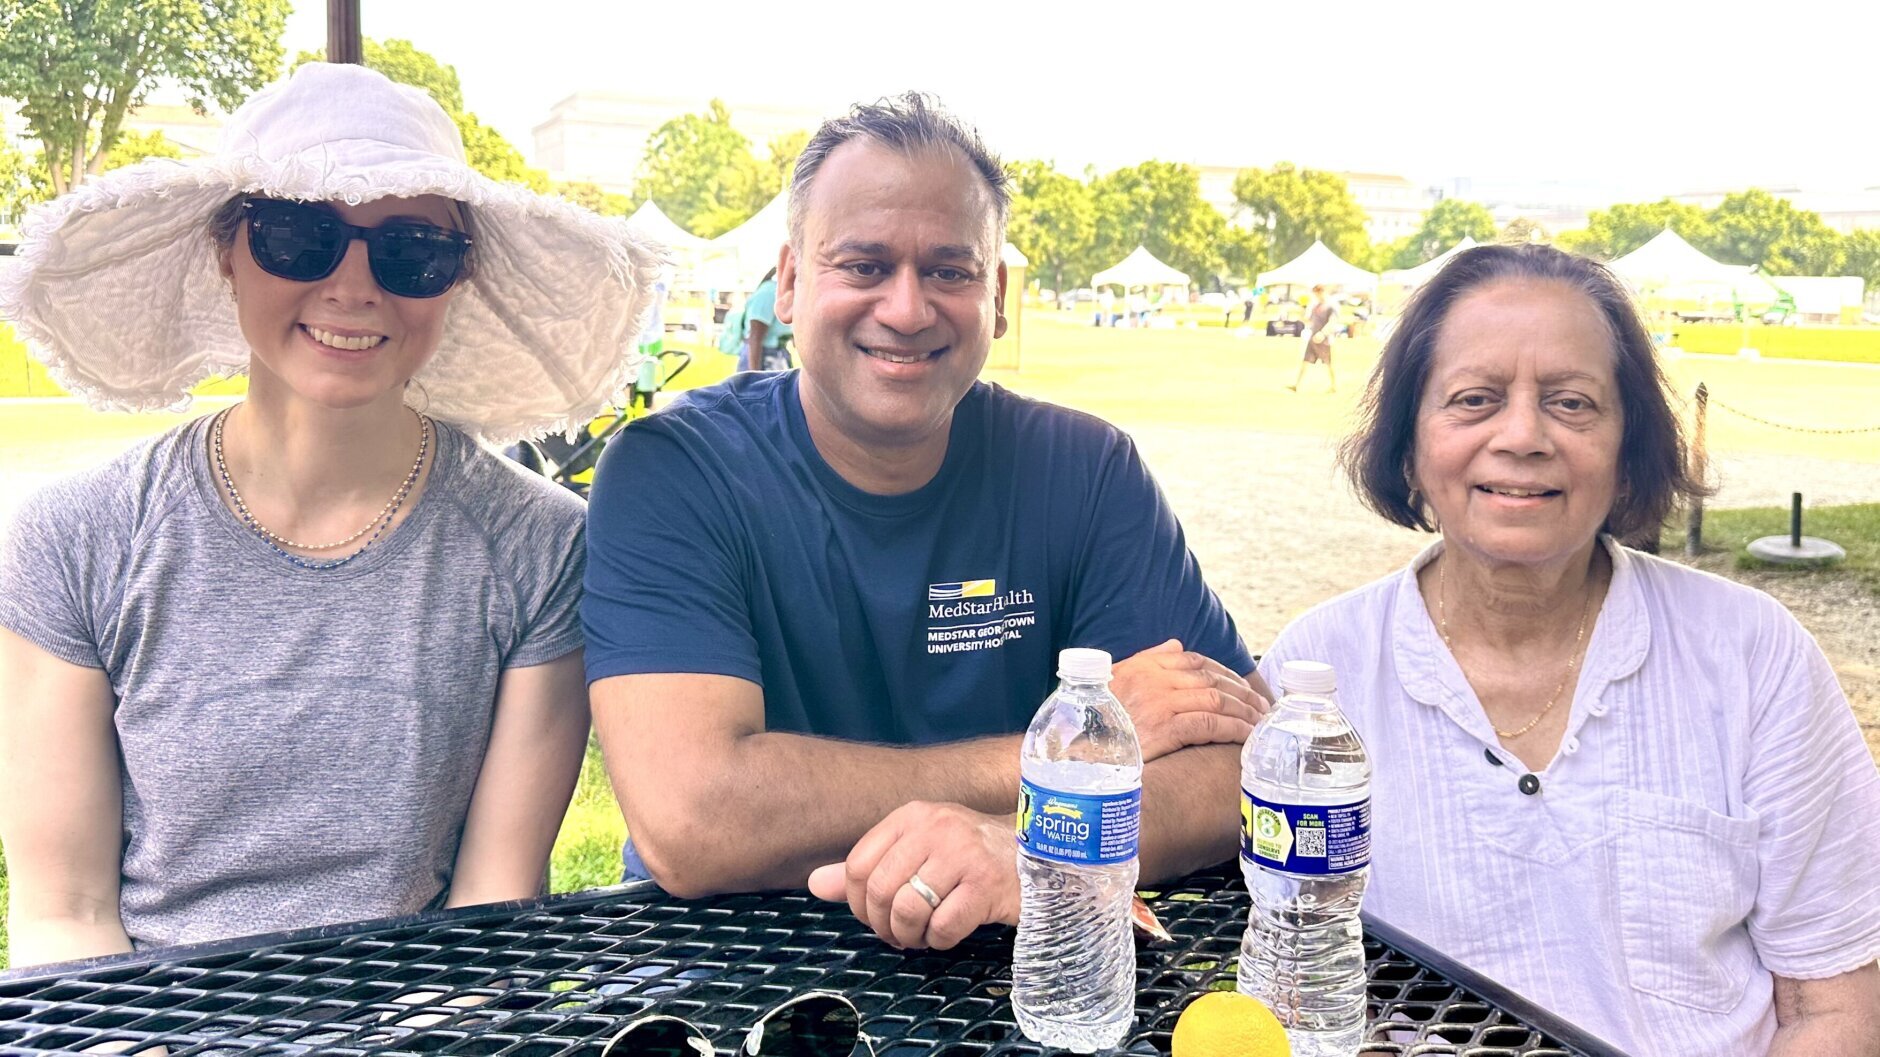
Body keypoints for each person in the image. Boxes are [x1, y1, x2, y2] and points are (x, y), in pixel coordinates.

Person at [0, 63, 665, 966]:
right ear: (225, 248)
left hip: (426, 1018)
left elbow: (493, 902)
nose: (354, 286)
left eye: (411, 251)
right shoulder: (77, 540)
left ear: (457, 279)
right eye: (297, 234)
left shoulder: (539, 547)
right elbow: (63, 914)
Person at [582, 93, 1268, 952]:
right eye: (864, 265)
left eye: (949, 270)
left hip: (1018, 958)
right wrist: (1056, 760)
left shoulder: (1086, 470)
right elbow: (693, 819)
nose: (907, 309)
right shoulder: (674, 470)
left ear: (998, 295)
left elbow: (1239, 762)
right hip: (726, 965)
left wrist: (1028, 849)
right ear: (789, 284)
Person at [1259, 243, 1880, 1056]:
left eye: (1573, 403)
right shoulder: (1319, 674)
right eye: (1474, 399)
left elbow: (1837, 1007)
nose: (1523, 436)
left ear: (1629, 454)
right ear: (1408, 449)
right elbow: (1290, 977)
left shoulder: (1753, 656)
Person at [720, 268, 793, 371]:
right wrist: (755, 376)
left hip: (776, 355)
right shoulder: (769, 292)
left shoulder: (784, 294)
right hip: (762, 357)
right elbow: (755, 337)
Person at [1288, 283, 1337, 392]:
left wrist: (1322, 333)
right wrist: (1300, 313)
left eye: (1319, 292)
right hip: (1312, 338)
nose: (1318, 295)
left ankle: (1334, 386)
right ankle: (1296, 385)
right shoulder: (1315, 306)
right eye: (1316, 292)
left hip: (1325, 341)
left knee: (1328, 363)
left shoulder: (1330, 306)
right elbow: (1309, 320)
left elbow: (1332, 322)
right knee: (1305, 361)